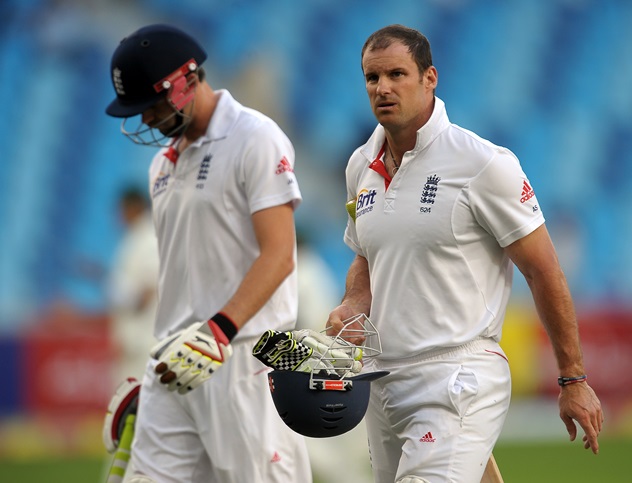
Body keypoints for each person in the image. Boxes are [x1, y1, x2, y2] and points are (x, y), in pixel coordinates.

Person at [326, 24, 604, 483]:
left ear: (430, 77)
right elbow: (364, 256)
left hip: (456, 373)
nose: (383, 88)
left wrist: (573, 379)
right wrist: (355, 302)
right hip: (380, 379)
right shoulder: (360, 165)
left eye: (398, 74)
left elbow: (543, 270)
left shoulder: (484, 163)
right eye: (372, 78)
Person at [105, 24, 311, 483]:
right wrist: (160, 361)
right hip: (171, 364)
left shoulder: (254, 137)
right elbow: (186, 273)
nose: (147, 121)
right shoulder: (162, 163)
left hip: (242, 359)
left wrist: (217, 331)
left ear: (185, 80)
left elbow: (279, 255)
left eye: (152, 105)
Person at [107, 186, 159, 385]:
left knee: (138, 408)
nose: (119, 216)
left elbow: (145, 294)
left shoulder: (148, 239)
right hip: (133, 345)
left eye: (121, 209)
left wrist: (118, 293)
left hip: (145, 344)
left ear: (133, 207)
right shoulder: (133, 238)